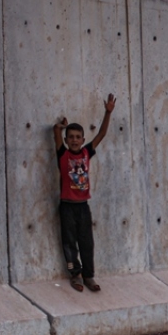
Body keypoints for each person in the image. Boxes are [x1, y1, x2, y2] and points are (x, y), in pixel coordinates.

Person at [54, 94, 115, 292]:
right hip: (67, 206)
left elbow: (102, 134)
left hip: (83, 206)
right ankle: (75, 275)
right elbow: (55, 131)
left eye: (77, 137)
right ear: (66, 140)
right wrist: (61, 126)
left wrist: (108, 112)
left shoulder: (87, 152)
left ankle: (88, 276)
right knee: (69, 243)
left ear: (83, 140)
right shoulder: (63, 154)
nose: (74, 140)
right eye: (70, 137)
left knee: (87, 242)